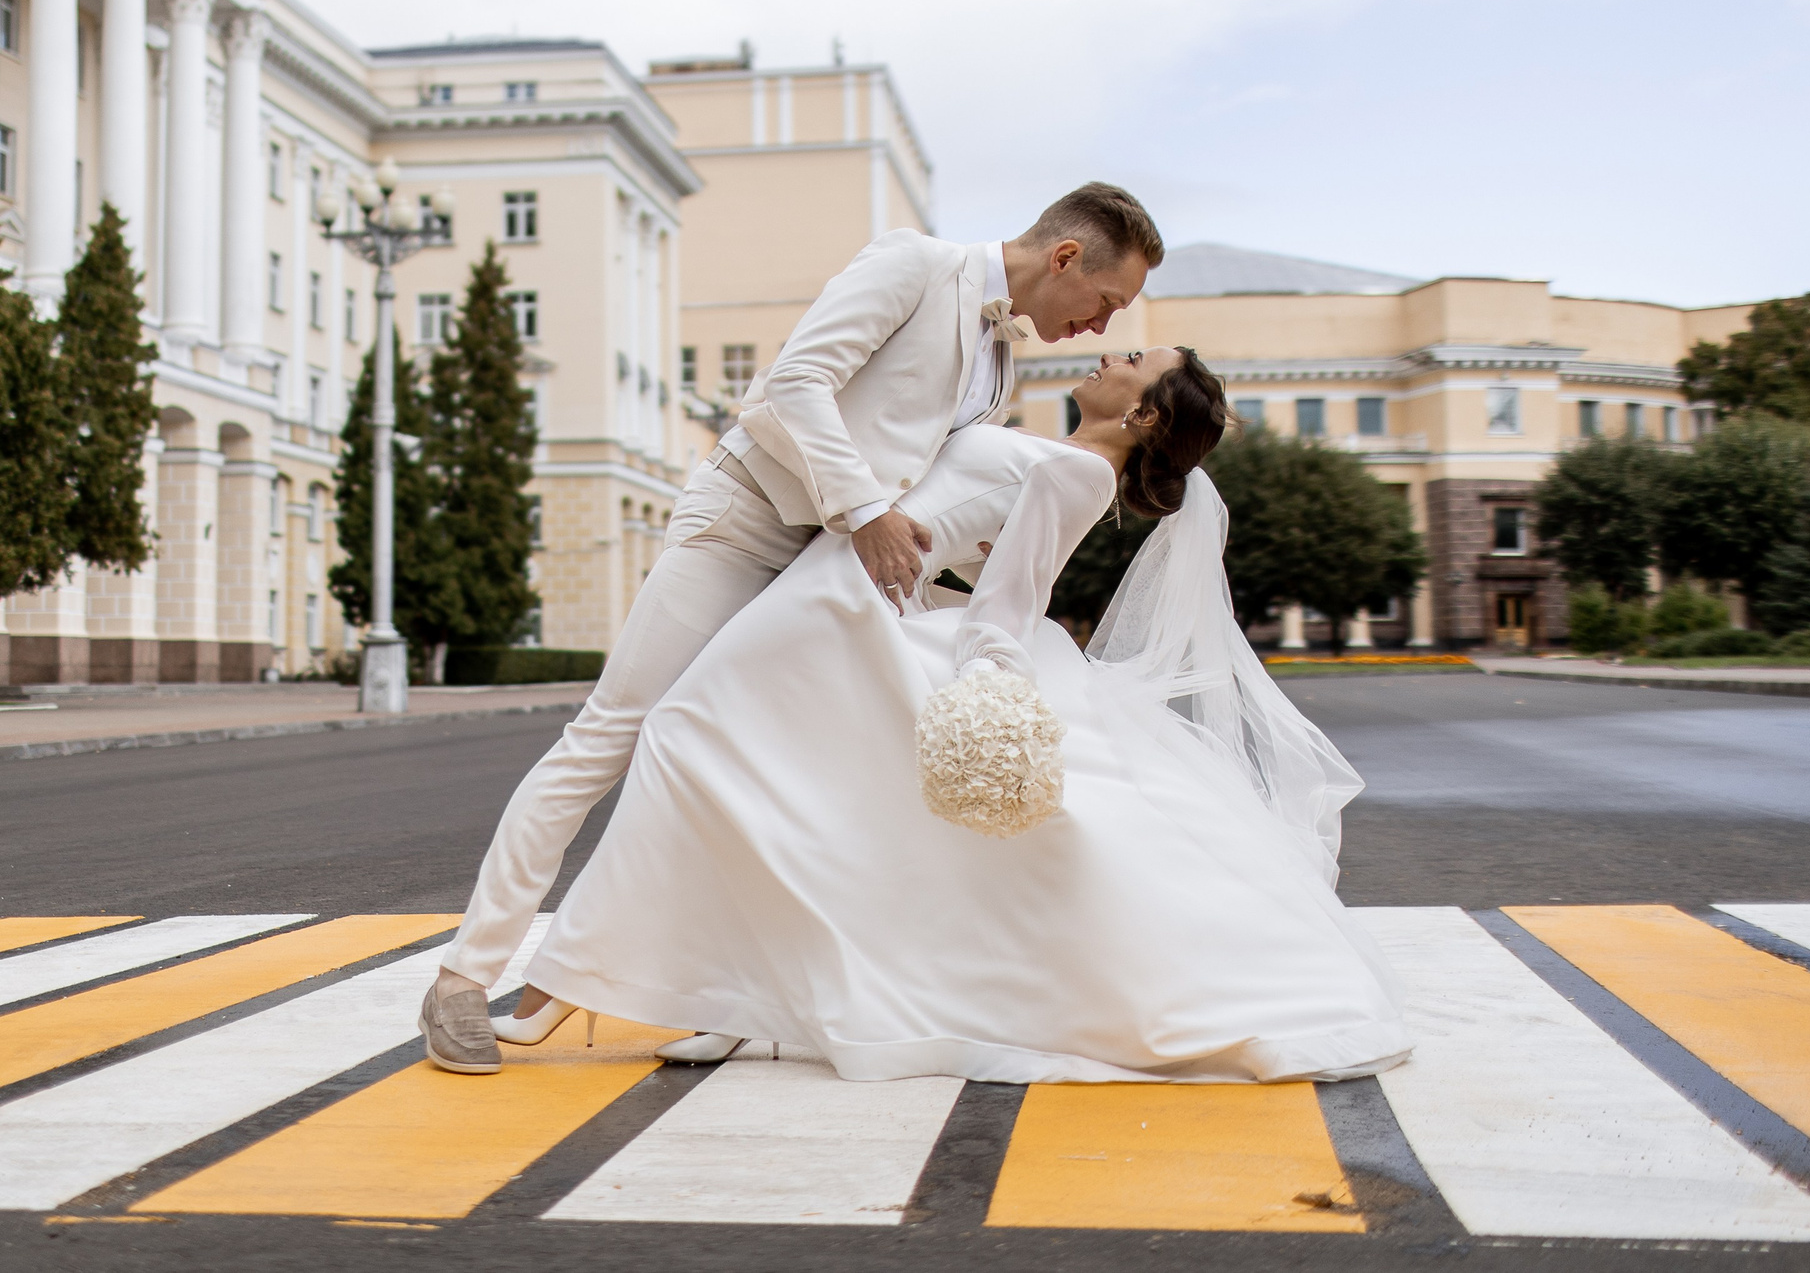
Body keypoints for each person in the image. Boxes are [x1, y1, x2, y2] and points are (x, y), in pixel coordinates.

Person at [420, 184, 1166, 1074]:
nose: (1097, 326)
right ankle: (464, 979)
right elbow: (789, 388)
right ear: (1066, 258)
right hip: (743, 525)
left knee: (766, 774)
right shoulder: (914, 264)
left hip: (830, 571)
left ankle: (733, 993)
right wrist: (865, 512)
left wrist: (945, 572)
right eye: (1105, 302)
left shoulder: (1000, 364)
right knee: (612, 735)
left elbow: (915, 468)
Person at [517, 348, 1410, 1084]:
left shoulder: (1073, 471)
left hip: (846, 611)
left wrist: (984, 682)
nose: (1111, 352)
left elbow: (1009, 602)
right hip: (845, 593)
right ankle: (724, 996)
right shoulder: (1057, 455)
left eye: (1134, 361)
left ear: (1142, 414)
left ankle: (563, 985)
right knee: (777, 797)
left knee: (686, 741)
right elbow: (971, 556)